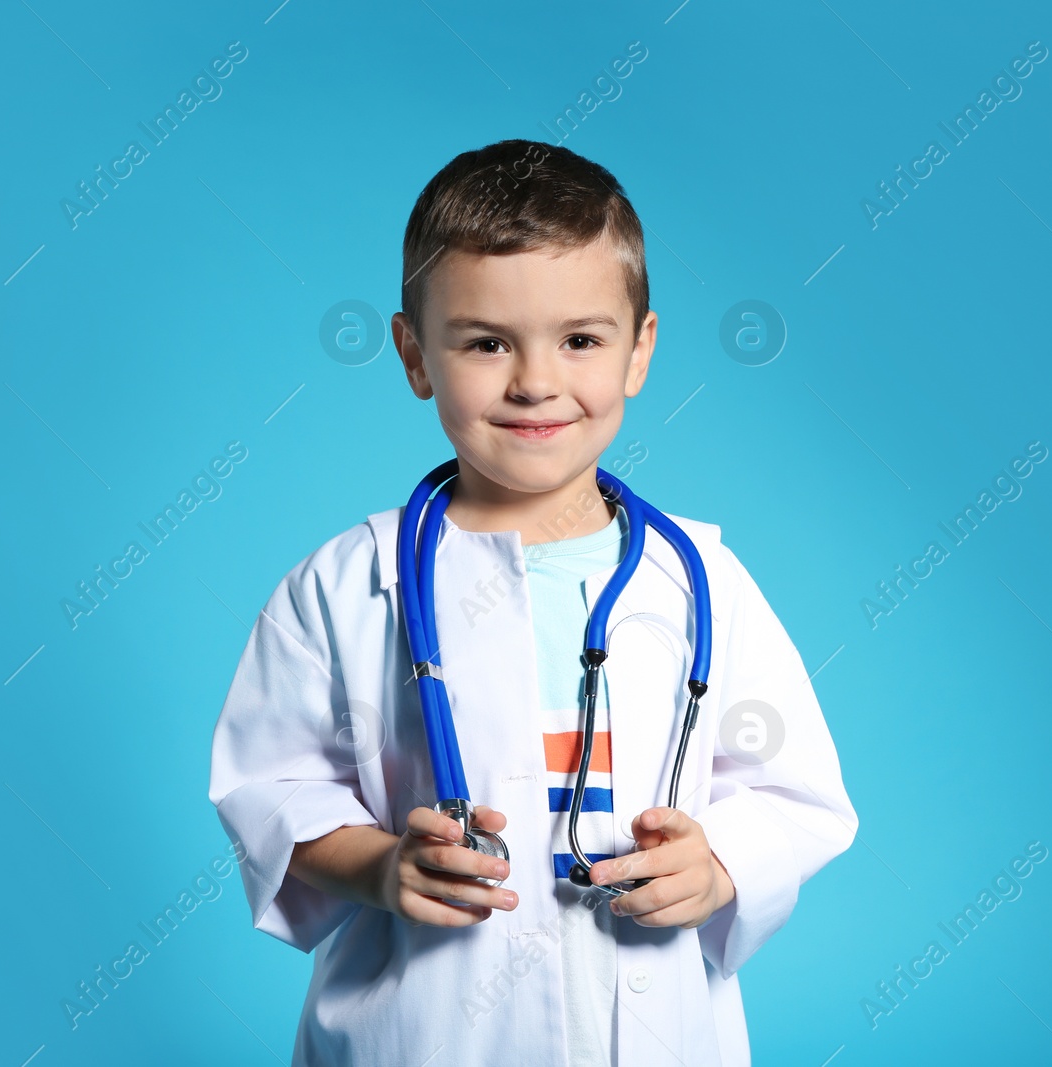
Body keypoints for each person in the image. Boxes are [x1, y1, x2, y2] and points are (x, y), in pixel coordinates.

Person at [208, 139, 858, 1066]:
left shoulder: (703, 583)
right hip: (428, 1031)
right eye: (485, 342)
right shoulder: (346, 585)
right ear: (413, 354)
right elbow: (270, 792)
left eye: (581, 339)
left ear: (640, 352)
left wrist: (716, 867)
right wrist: (385, 866)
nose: (535, 381)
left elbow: (794, 794)